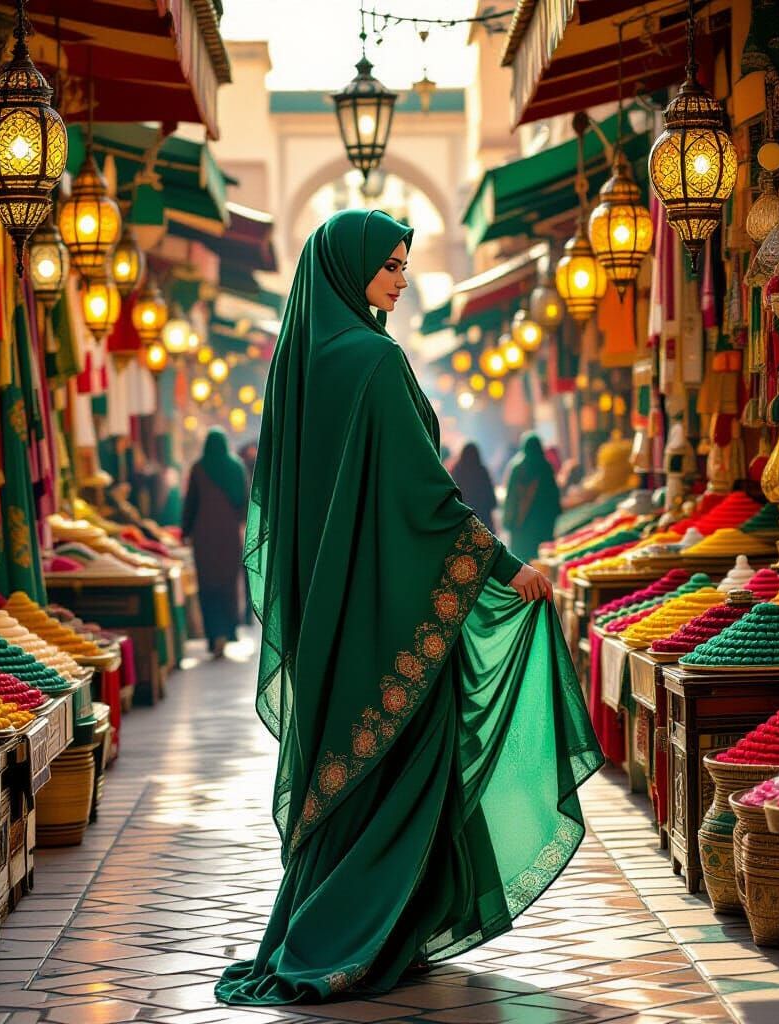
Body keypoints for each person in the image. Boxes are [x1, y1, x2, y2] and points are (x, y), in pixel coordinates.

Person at [216, 210, 602, 1006]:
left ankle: (348, 926)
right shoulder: (374, 358)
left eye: (403, 264)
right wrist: (502, 564)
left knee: (352, 768)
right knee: (408, 767)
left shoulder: (303, 363)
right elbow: (424, 493)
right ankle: (362, 935)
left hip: (333, 616)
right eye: (390, 265)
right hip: (392, 612)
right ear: (353, 267)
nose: (400, 279)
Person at [182, 428, 248, 659]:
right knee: (228, 585)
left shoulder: (198, 469)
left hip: (204, 539)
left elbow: (190, 504)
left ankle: (214, 634)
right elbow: (244, 502)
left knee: (208, 586)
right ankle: (228, 631)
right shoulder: (236, 467)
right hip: (229, 537)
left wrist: (185, 531)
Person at [502, 432, 562, 561]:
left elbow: (511, 499)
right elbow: (554, 496)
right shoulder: (546, 467)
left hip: (521, 525)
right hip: (543, 524)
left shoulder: (517, 468)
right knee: (541, 559)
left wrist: (508, 521)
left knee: (522, 560)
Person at [449, 442, 497, 530]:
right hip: (482, 521)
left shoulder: (457, 472)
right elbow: (492, 500)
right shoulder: (482, 472)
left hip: (462, 521)